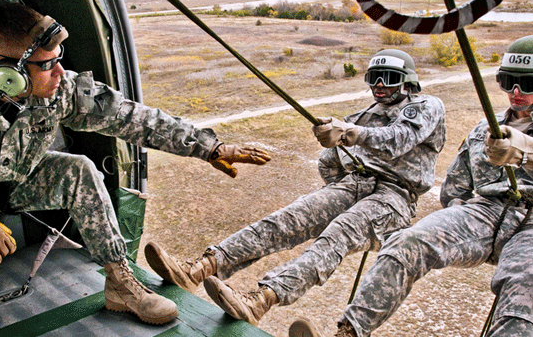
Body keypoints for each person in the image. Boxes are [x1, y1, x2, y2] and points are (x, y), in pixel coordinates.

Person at [0, 2, 272, 336]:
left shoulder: (58, 88)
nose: (61, 72)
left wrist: (208, 147)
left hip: (10, 185)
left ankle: (119, 283)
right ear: (5, 73)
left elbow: (127, 116)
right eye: (47, 65)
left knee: (78, 170)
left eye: (58, 59)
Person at [144, 49, 446, 326]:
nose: (380, 85)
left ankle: (260, 300)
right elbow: (329, 161)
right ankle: (199, 268)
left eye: (389, 79)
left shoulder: (427, 106)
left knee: (337, 234)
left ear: (408, 82)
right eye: (374, 78)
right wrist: (336, 182)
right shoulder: (368, 114)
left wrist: (349, 134)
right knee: (289, 218)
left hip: (394, 196)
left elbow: (399, 139)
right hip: (355, 183)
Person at [296, 35, 533, 337]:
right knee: (406, 243)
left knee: (523, 289)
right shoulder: (485, 130)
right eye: (509, 81)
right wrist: (460, 218)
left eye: (527, 84)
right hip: (485, 213)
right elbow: (455, 187)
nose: (516, 92)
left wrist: (524, 151)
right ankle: (349, 332)